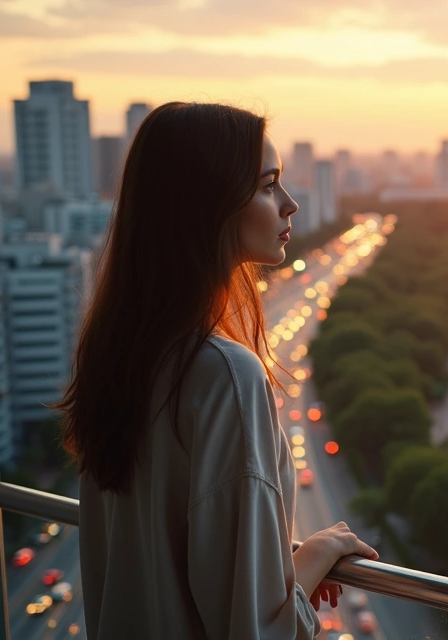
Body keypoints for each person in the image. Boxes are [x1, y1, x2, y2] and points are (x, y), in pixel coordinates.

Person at [55, 103, 377, 639]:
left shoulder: (119, 357)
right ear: (207, 205)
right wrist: (318, 552)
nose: (290, 204)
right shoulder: (224, 374)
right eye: (268, 185)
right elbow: (254, 632)